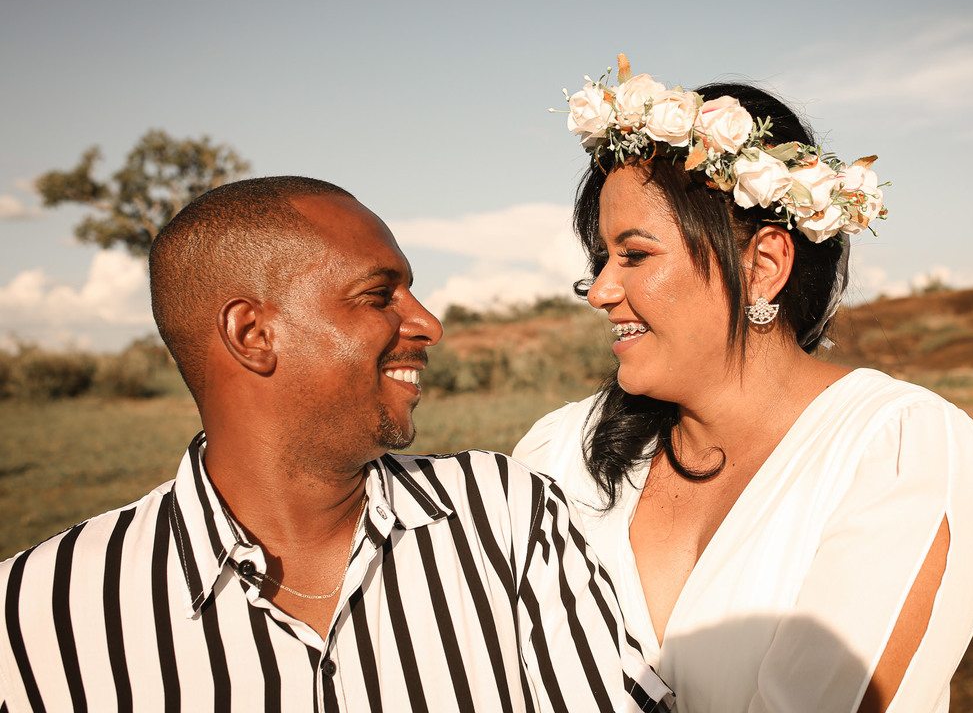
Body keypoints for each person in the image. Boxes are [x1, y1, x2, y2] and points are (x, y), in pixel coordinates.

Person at [0, 177, 671, 713]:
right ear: (252, 334)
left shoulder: (504, 515)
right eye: (380, 294)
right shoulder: (36, 611)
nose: (428, 324)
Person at [514, 57, 973, 712]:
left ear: (763, 265)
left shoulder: (893, 451)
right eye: (601, 261)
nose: (600, 291)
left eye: (634, 256)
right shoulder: (560, 452)